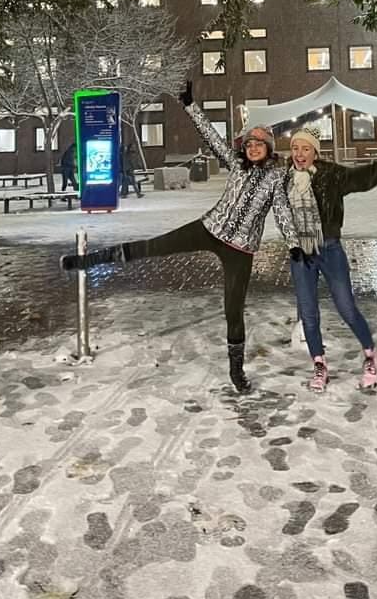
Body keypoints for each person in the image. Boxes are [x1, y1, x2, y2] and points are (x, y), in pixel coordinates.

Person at [60, 81, 300, 393]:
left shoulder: (275, 179)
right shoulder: (236, 166)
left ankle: (236, 370)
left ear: (269, 149)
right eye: (250, 144)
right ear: (244, 148)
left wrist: (293, 244)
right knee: (154, 246)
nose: (254, 148)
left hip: (240, 248)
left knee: (233, 310)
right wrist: (190, 105)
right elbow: (212, 137)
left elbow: (282, 212)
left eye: (260, 144)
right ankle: (89, 260)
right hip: (209, 228)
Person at [284, 125, 377, 392]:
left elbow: (363, 178)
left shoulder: (331, 175)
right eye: (295, 148)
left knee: (347, 308)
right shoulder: (283, 179)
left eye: (306, 149)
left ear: (315, 152)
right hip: (301, 254)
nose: (300, 154)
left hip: (330, 249)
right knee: (309, 316)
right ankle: (319, 365)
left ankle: (370, 355)